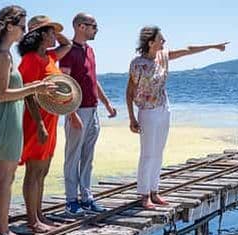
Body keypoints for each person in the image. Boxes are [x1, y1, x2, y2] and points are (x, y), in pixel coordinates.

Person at [0, 7, 58, 235]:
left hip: (1, 115)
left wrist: (35, 86)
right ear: (10, 27)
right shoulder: (2, 55)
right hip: (5, 117)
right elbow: (2, 94)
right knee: (6, 177)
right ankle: (2, 230)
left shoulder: (4, 54)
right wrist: (36, 88)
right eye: (22, 26)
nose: (24, 31)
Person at [126, 26, 228, 209]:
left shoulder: (163, 56)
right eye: (161, 40)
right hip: (146, 111)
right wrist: (132, 118)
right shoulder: (137, 64)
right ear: (151, 43)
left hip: (164, 109)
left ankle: (155, 191)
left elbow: (189, 50)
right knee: (148, 153)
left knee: (158, 152)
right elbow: (129, 91)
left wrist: (214, 46)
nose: (164, 42)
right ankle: (144, 194)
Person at [59, 12, 117, 216]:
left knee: (88, 156)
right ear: (80, 26)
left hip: (93, 110)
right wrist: (71, 113)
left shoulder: (90, 50)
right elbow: (63, 84)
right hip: (77, 110)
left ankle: (86, 197)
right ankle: (70, 200)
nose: (96, 30)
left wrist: (107, 104)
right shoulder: (68, 51)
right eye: (94, 26)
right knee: (73, 156)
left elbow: (93, 80)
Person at [18, 15, 72, 233]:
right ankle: (32, 219)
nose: (54, 37)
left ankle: (39, 214)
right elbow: (28, 94)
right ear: (39, 36)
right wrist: (39, 124)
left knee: (44, 170)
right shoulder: (31, 59)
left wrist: (53, 29)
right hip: (36, 120)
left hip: (51, 118)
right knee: (34, 170)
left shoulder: (49, 56)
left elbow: (67, 44)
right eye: (50, 33)